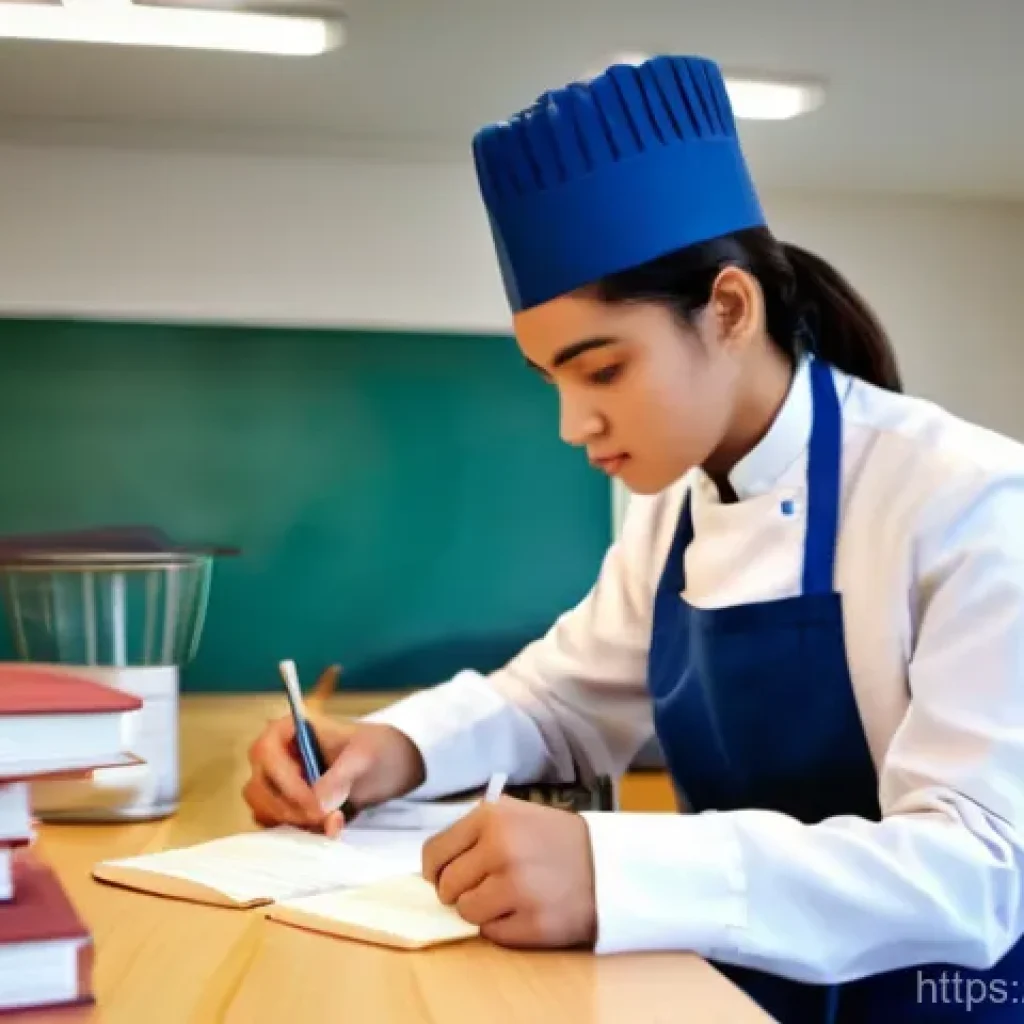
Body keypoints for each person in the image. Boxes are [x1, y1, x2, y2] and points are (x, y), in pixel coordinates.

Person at [243, 54, 1024, 1021]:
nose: (573, 425)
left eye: (603, 370)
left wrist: (615, 870)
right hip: (728, 991)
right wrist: (390, 749)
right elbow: (557, 702)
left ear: (730, 310)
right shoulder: (678, 507)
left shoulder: (973, 501)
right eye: (553, 382)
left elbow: (978, 868)